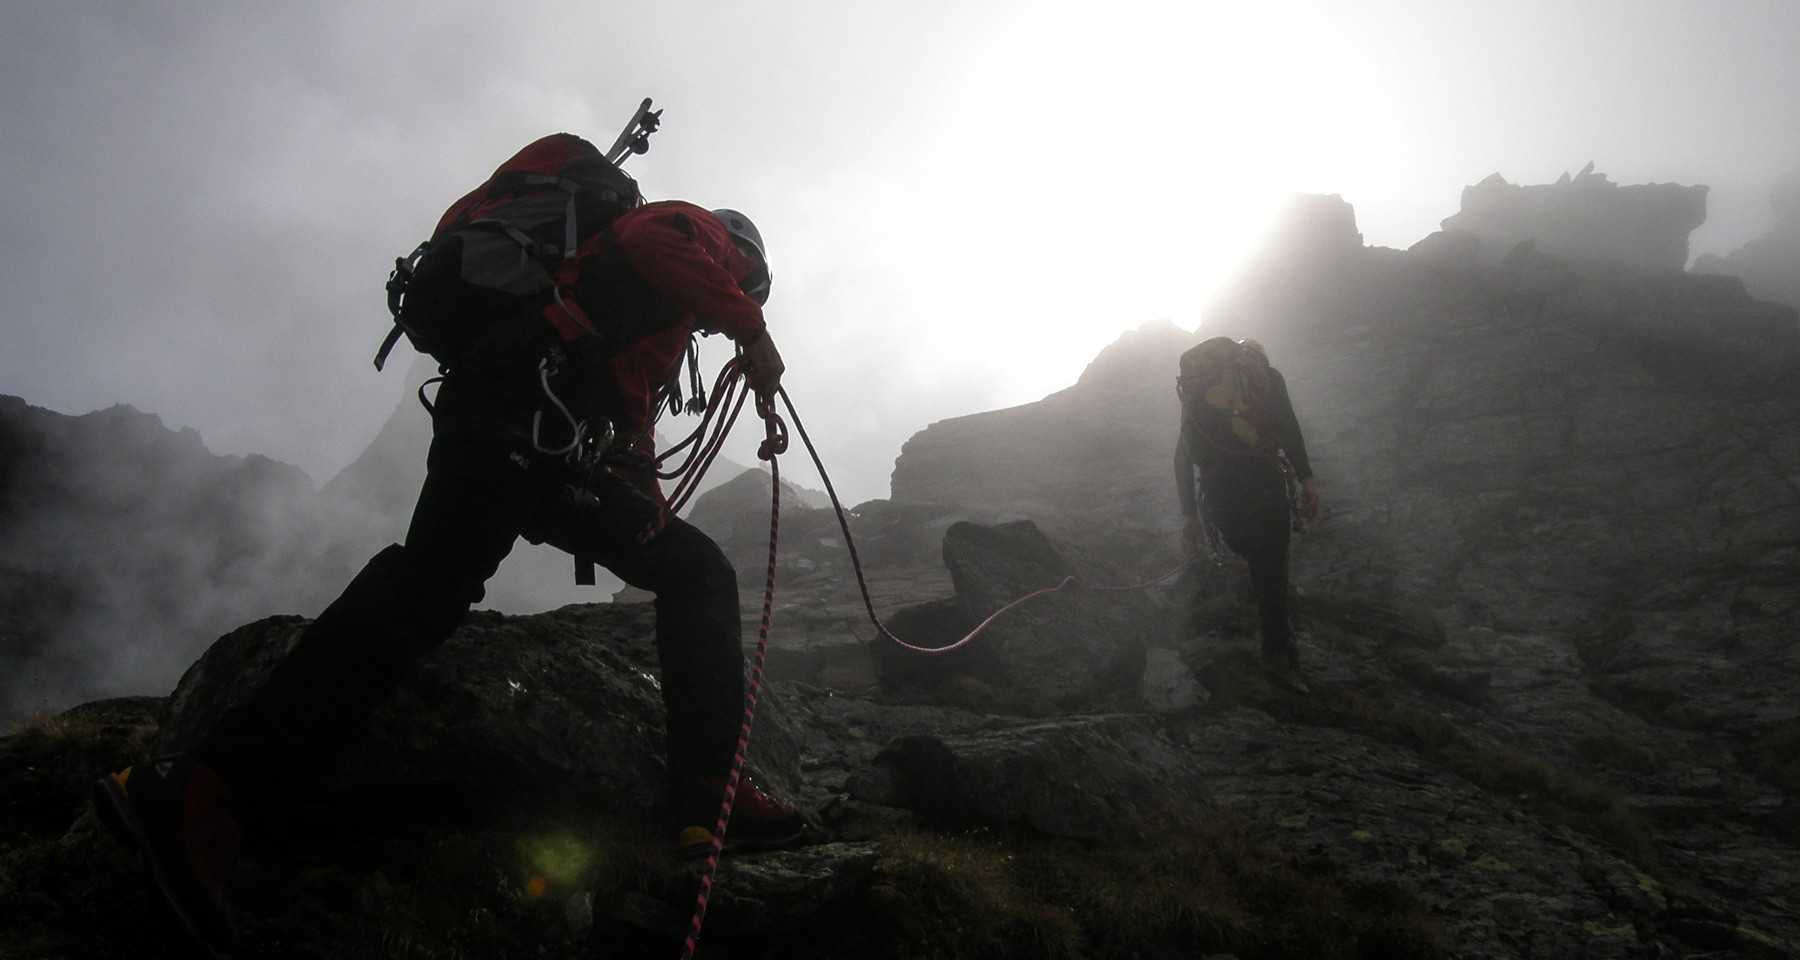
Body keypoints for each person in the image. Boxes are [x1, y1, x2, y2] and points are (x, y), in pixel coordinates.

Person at [94, 199, 802, 956]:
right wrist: (750, 328)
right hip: (516, 410)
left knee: (692, 570)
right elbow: (654, 238)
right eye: (741, 293)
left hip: (541, 436)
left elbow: (628, 421)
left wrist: (649, 515)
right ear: (747, 263)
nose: (715, 323)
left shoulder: (654, 322)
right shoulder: (696, 231)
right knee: (427, 587)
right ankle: (206, 782)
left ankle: (708, 802)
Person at [1174, 336, 1319, 681]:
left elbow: (1183, 453)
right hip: (1262, 477)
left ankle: (1268, 636)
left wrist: (1190, 513)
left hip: (1217, 489)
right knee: (1271, 563)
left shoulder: (1200, 387)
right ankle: (1278, 655)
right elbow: (1287, 427)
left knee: (1254, 554)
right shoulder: (1266, 377)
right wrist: (1307, 479)